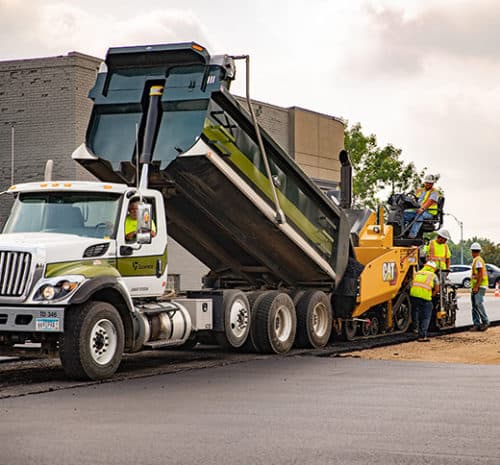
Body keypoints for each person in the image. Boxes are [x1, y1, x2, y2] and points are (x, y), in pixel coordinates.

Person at [410, 260, 440, 341]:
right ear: (433, 268)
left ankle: (415, 329)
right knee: (426, 317)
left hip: (413, 296)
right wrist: (431, 295)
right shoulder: (433, 275)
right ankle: (422, 336)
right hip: (425, 298)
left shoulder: (418, 273)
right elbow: (437, 289)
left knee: (416, 313)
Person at [403, 174, 440, 239]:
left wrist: (422, 209)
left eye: (431, 183)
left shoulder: (434, 192)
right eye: (428, 183)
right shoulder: (420, 191)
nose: (429, 184)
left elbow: (430, 201)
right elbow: (414, 200)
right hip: (418, 210)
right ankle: (401, 232)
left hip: (429, 213)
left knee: (419, 215)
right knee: (403, 214)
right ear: (425, 183)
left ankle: (412, 236)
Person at [469, 242, 489, 331]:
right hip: (476, 286)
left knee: (478, 303)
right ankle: (476, 324)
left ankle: (485, 321)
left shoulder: (478, 260)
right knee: (474, 305)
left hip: (480, 286)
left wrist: (476, 286)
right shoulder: (477, 260)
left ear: (472, 252)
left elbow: (480, 274)